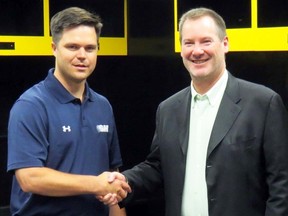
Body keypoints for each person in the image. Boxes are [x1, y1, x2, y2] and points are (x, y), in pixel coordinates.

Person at [104, 7, 288, 216]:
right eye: (189, 43)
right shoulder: (168, 109)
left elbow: (282, 184)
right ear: (181, 49)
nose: (197, 51)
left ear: (225, 43)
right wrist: (125, 182)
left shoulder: (263, 103)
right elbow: (158, 167)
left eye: (206, 41)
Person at [7, 7, 130, 216]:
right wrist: (95, 184)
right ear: (54, 48)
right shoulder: (31, 106)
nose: (82, 55)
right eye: (72, 47)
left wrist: (110, 192)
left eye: (90, 48)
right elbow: (29, 178)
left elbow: (111, 178)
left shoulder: (102, 106)